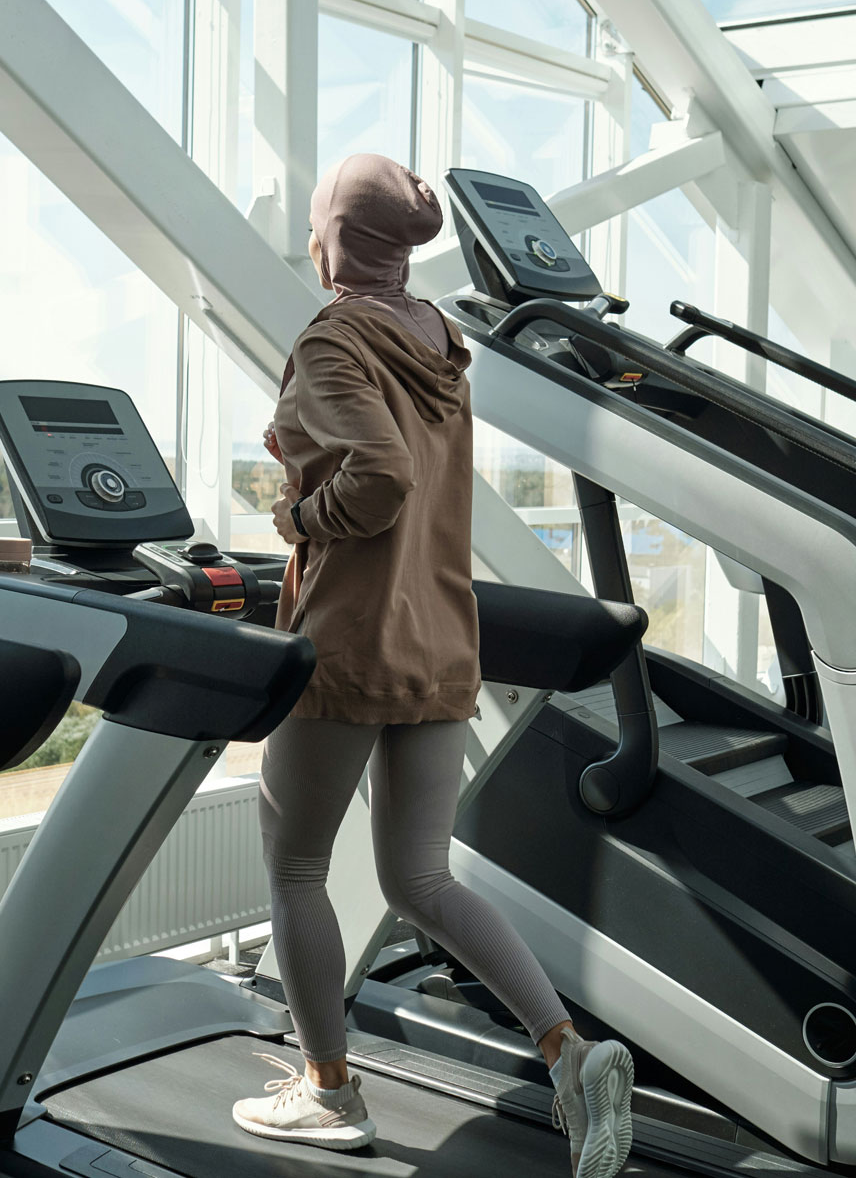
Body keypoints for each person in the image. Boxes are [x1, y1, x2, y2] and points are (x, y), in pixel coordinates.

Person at [231, 153, 634, 1178]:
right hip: (441, 633)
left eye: (320, 222)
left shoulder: (333, 334)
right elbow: (402, 462)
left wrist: (293, 514)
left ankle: (328, 1092)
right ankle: (568, 1050)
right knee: (419, 877)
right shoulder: (439, 340)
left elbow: (382, 479)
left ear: (336, 235)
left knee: (295, 868)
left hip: (352, 639)